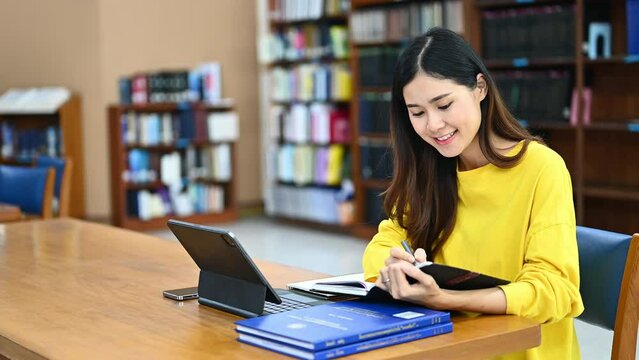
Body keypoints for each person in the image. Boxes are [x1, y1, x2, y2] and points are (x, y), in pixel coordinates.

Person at [362, 28, 584, 359]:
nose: (433, 125)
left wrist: (446, 300)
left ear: (479, 88)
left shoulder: (542, 168)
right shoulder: (429, 168)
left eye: (444, 105)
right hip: (449, 349)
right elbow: (381, 245)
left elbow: (553, 290)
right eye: (417, 113)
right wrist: (396, 265)